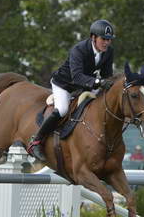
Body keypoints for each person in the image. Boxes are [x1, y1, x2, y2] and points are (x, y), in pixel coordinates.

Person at [27, 19, 115, 162]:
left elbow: (107, 74)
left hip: (83, 86)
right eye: (103, 39)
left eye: (109, 40)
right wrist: (98, 82)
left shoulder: (108, 52)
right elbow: (77, 77)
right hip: (64, 84)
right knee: (62, 109)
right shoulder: (79, 49)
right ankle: (36, 141)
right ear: (93, 37)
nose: (106, 43)